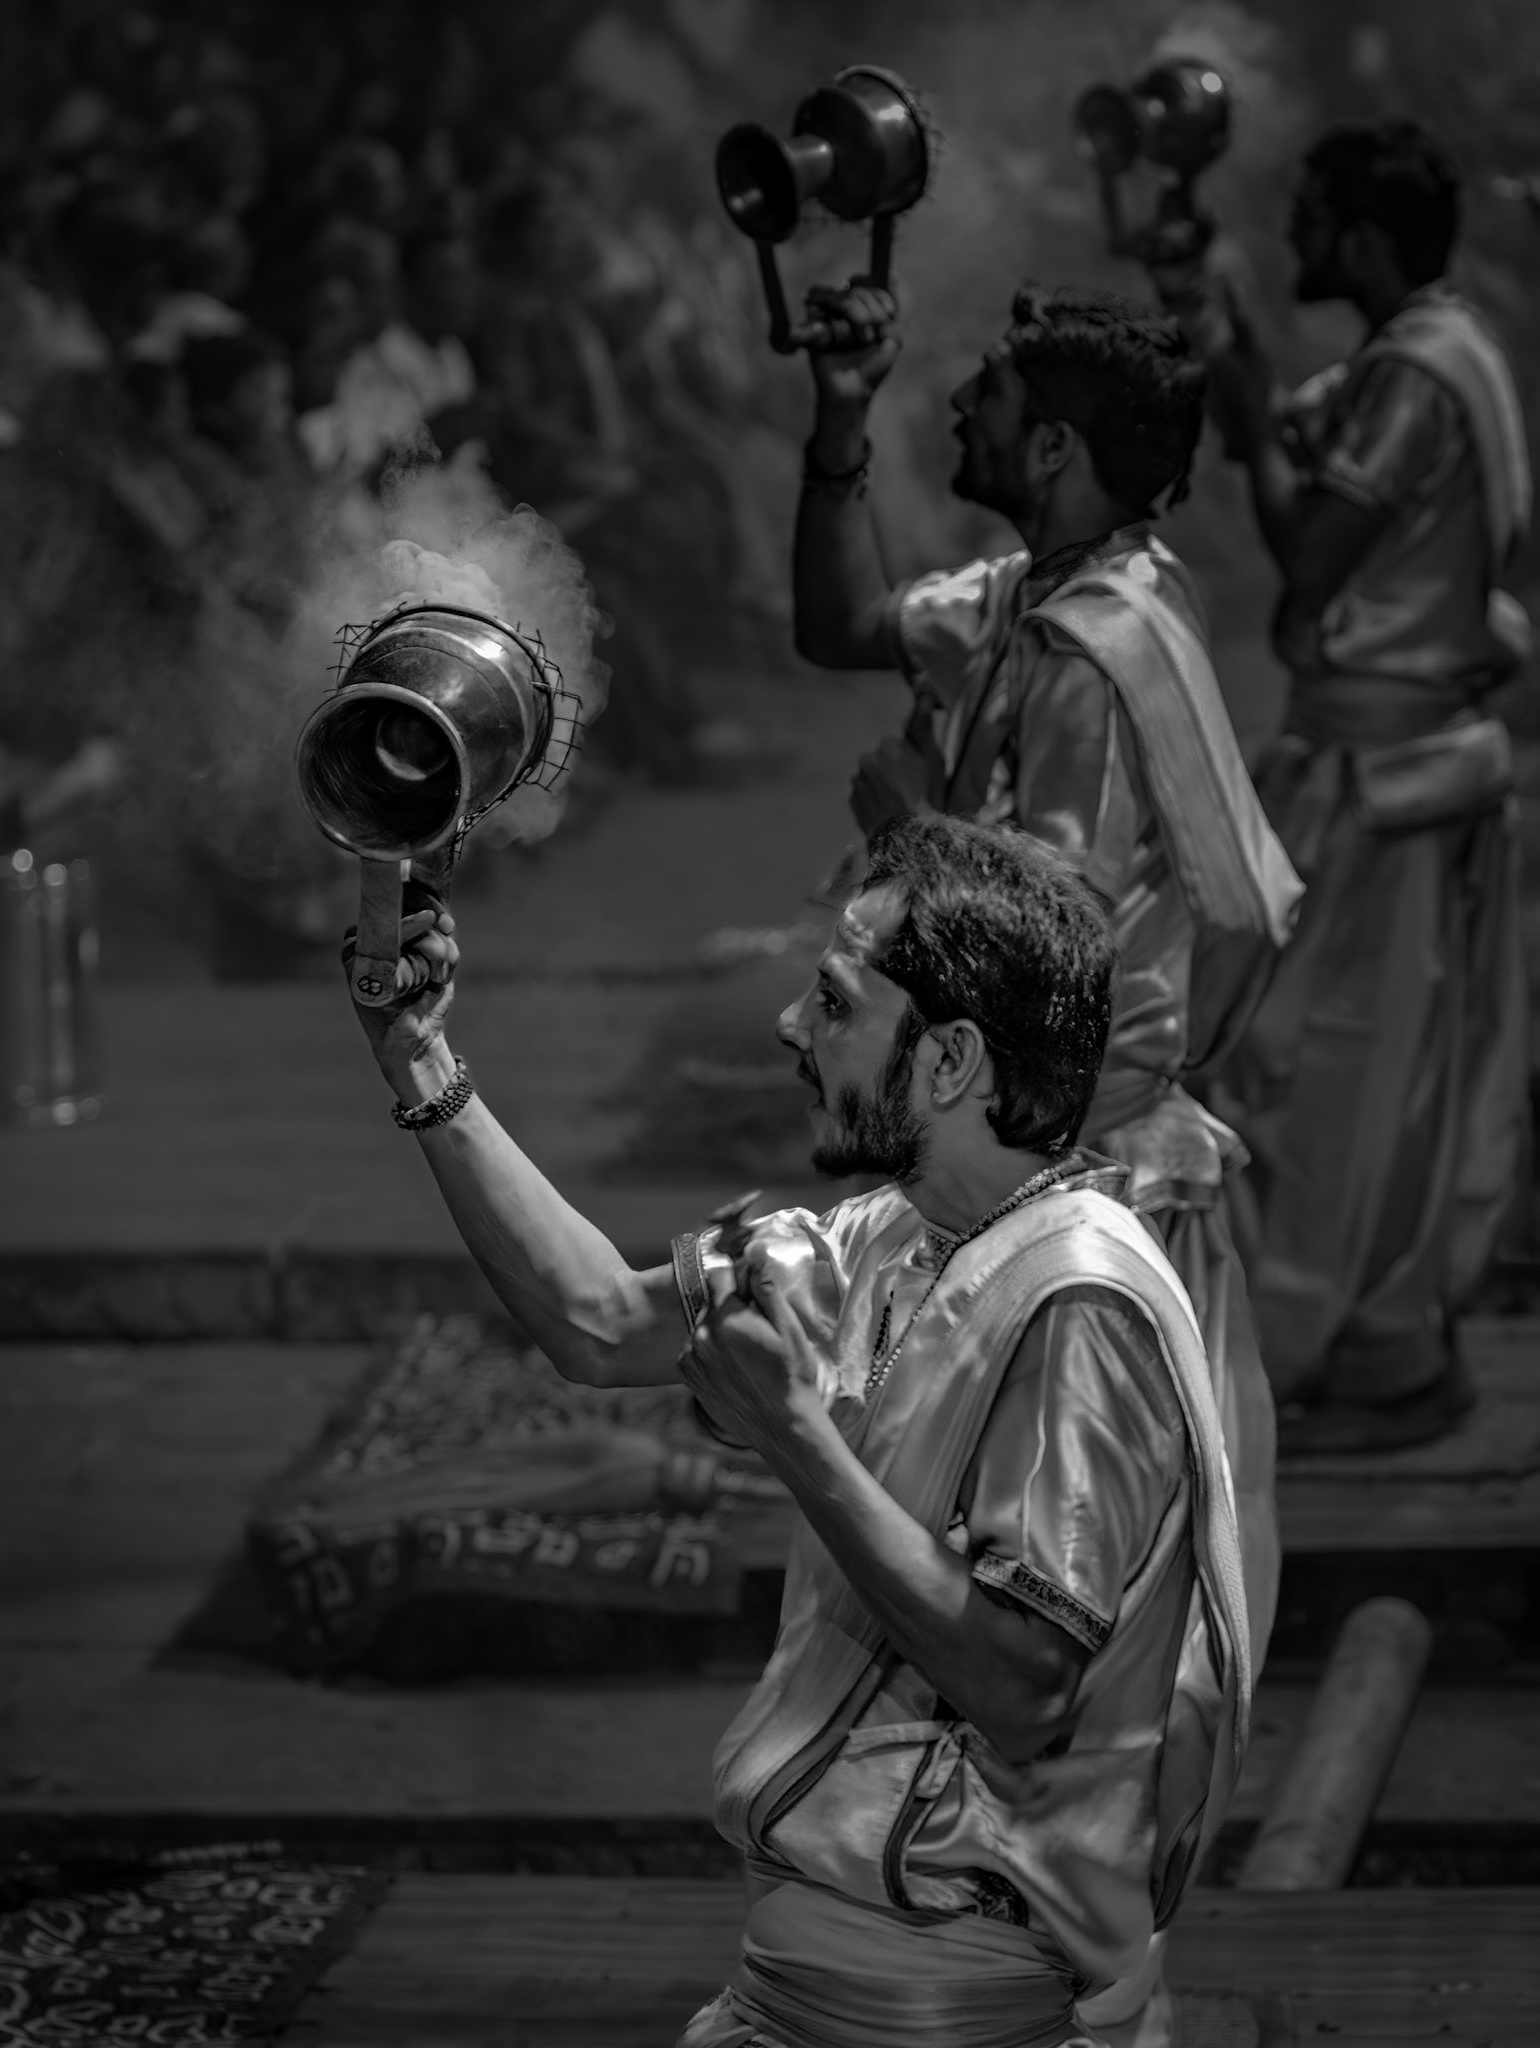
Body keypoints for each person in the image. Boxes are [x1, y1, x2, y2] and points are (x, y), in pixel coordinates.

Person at [345, 814, 1251, 2048]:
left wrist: (795, 1435)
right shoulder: (887, 1235)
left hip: (947, 2007)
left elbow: (1024, 1681)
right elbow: (599, 1320)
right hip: (811, 1980)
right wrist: (418, 1055)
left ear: (948, 1060)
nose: (788, 1024)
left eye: (834, 1000)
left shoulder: (1077, 1296)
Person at [789, 283, 1297, 1661]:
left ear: (1057, 448)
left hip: (1075, 1167)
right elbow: (837, 623)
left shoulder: (1097, 647)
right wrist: (839, 416)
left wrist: (908, 829)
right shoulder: (1034, 594)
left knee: (1059, 1581)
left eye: (991, 397)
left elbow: (1050, 930)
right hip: (1025, 1136)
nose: (958, 407)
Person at [1186, 120, 1532, 1451]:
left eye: (1313, 220)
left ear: (1368, 241)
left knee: (1328, 1074)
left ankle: (1353, 1358)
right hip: (1396, 761)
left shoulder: (1416, 375)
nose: (1295, 241)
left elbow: (1308, 543)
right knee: (1375, 1069)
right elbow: (1283, 429)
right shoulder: (1441, 349)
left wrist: (1251, 418)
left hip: (1384, 776)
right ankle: (1368, 1342)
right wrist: (1236, 379)